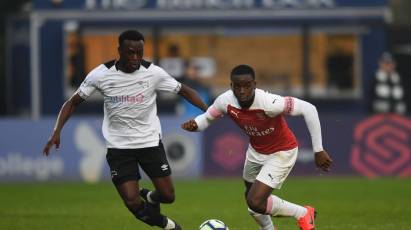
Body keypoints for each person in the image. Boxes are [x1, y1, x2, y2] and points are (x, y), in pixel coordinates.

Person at [43, 30, 208, 230]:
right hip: (119, 148)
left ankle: (150, 196)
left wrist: (209, 112)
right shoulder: (100, 74)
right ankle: (170, 226)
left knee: (167, 196)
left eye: (140, 52)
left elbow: (184, 90)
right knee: (132, 202)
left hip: (149, 143)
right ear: (119, 50)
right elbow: (72, 102)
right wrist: (56, 131)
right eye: (131, 53)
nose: (136, 58)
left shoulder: (153, 72)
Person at [181, 65, 332, 230]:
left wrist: (318, 149)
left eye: (247, 86)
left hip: (282, 151)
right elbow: (207, 118)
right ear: (231, 86)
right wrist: (196, 124)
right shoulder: (225, 101)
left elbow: (309, 109)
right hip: (256, 151)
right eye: (237, 86)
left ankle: (302, 213)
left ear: (254, 84)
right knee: (251, 199)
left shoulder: (270, 103)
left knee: (255, 201)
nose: (242, 91)